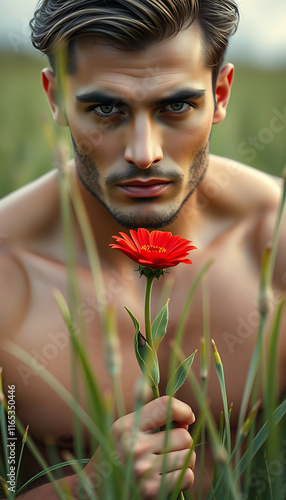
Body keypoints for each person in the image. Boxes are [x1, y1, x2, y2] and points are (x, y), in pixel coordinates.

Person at [0, 0, 285, 498]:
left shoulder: (275, 240)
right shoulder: (8, 269)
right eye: (105, 108)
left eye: (176, 105)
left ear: (220, 94)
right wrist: (95, 484)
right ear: (57, 101)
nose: (144, 152)